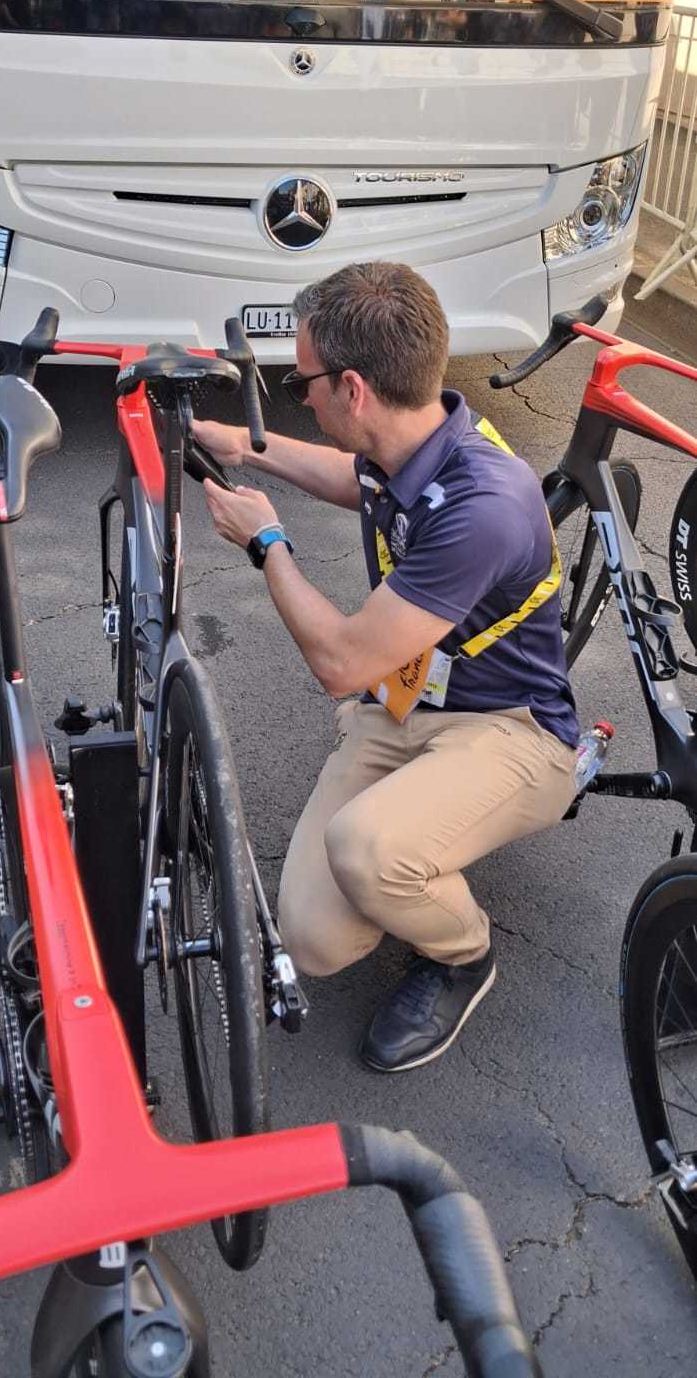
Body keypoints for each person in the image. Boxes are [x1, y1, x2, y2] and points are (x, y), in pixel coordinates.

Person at [195, 263, 579, 1073]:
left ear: (354, 389)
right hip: (406, 705)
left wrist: (267, 543)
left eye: (302, 385)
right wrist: (247, 447)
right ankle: (417, 845)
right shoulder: (412, 439)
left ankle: (462, 954)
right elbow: (355, 479)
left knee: (368, 849)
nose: (302, 399)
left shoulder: (482, 506)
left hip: (511, 731)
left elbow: (339, 662)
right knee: (313, 940)